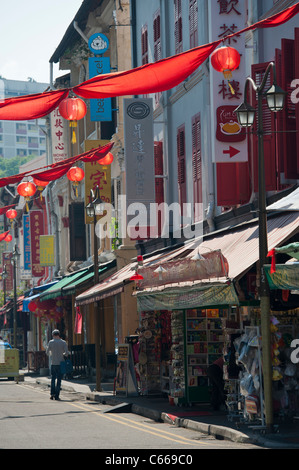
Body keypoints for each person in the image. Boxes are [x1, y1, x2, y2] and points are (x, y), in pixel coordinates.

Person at [46, 330, 69, 401]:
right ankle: (57, 395)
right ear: (59, 335)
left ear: (53, 335)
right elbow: (67, 353)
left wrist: (52, 355)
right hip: (60, 363)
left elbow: (47, 352)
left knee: (53, 379)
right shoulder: (63, 342)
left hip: (53, 363)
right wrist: (63, 354)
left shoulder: (51, 342)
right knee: (59, 380)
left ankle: (52, 394)